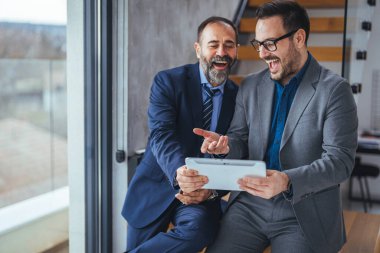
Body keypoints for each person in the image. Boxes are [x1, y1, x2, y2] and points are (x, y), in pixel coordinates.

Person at [177, 1, 358, 253]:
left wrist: (286, 181)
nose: (262, 53)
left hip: (302, 209)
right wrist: (226, 146)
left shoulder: (335, 90)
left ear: (299, 38)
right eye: (259, 44)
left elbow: (340, 162)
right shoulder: (250, 86)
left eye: (270, 44)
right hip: (249, 205)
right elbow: (240, 139)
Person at [121, 16, 239, 253]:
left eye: (229, 45)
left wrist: (211, 190)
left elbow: (234, 152)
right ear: (198, 50)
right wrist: (180, 176)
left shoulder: (239, 96)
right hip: (156, 187)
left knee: (199, 231)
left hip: (201, 195)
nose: (221, 52)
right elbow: (161, 135)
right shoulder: (168, 82)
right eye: (213, 44)